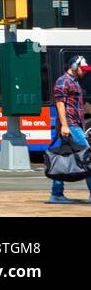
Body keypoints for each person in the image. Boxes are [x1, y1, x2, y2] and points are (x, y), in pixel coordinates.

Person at [49, 55, 91, 204]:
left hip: (74, 125)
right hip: (71, 125)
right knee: (88, 156)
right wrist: (65, 125)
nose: (85, 72)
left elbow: (76, 105)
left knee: (62, 158)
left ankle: (56, 194)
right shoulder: (63, 81)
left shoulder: (75, 82)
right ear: (74, 66)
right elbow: (60, 104)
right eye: (83, 69)